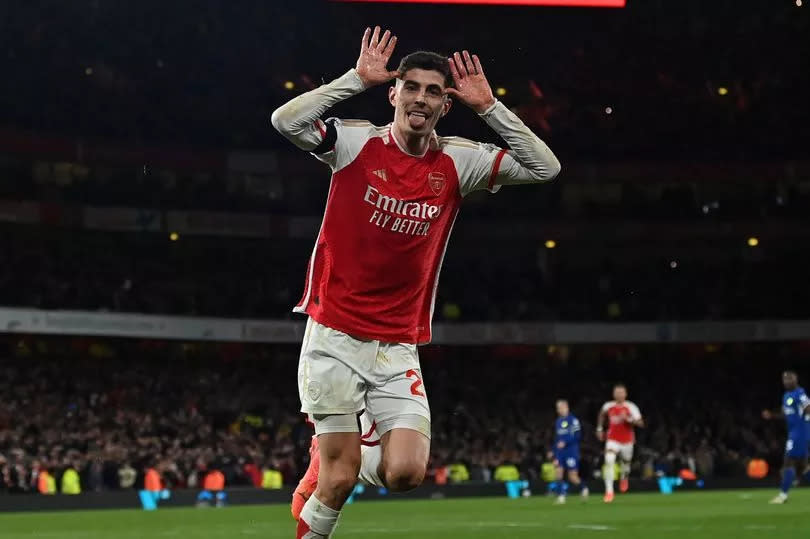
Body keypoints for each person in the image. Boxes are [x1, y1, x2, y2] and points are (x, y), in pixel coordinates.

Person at [271, 25, 560, 539]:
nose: (421, 98)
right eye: (412, 86)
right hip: (333, 336)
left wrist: (490, 107)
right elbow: (285, 121)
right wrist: (352, 79)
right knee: (334, 483)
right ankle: (331, 466)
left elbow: (545, 166)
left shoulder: (458, 160)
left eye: (433, 91)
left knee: (405, 473)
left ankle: (345, 453)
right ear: (394, 93)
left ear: (445, 105)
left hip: (398, 345)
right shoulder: (356, 141)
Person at [762, 370, 810, 504]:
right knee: (803, 466)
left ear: (796, 380)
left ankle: (783, 495)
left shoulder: (800, 394)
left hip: (800, 433)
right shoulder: (786, 396)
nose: (787, 381)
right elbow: (786, 414)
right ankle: (784, 493)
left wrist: (806, 422)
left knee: (789, 461)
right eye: (785, 379)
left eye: (790, 379)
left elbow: (808, 407)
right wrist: (772, 415)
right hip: (794, 432)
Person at [596, 384, 643, 503]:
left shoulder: (631, 406)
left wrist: (629, 420)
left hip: (627, 441)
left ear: (625, 394)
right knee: (609, 460)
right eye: (617, 392)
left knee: (626, 464)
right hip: (612, 439)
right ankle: (609, 492)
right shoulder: (608, 406)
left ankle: (624, 477)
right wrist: (600, 429)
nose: (619, 394)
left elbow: (640, 423)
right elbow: (601, 414)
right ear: (613, 394)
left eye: (621, 392)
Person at [552, 399, 588, 504]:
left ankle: (584, 488)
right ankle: (561, 496)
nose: (560, 410)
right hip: (560, 452)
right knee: (558, 473)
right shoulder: (558, 421)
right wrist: (554, 451)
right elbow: (557, 438)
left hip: (571, 451)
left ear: (567, 407)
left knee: (572, 477)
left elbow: (577, 435)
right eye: (558, 408)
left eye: (562, 407)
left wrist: (566, 442)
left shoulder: (573, 420)